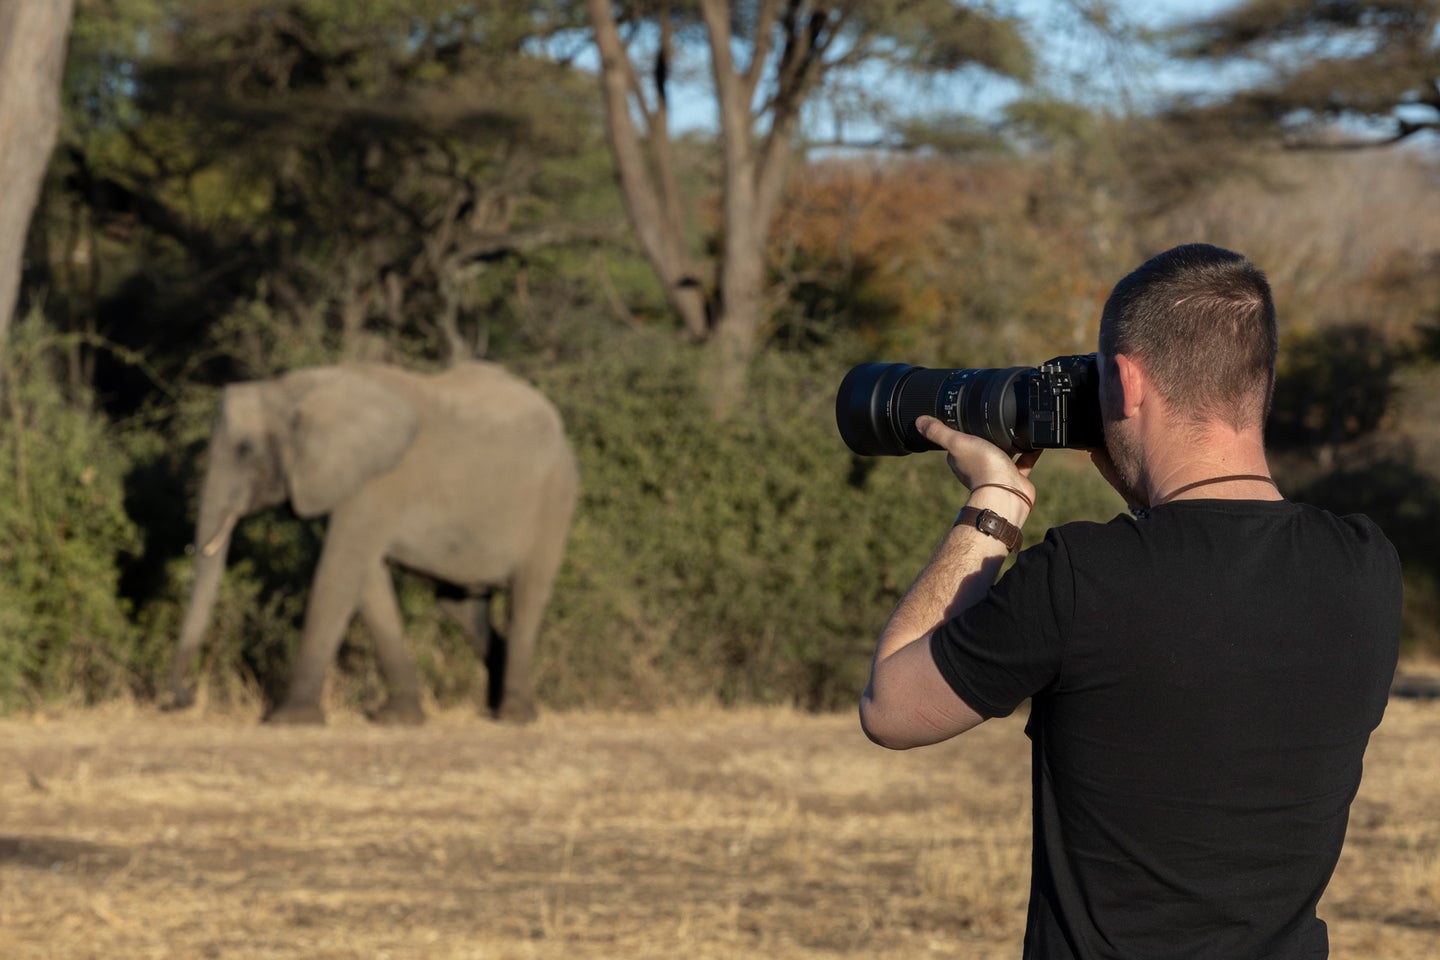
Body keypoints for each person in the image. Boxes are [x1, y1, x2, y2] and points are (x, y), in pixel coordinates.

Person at [858, 243, 1401, 959]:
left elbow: (892, 709)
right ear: (1261, 383)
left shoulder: (1083, 576)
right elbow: (1210, 580)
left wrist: (995, 505)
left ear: (1125, 381)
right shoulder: (1364, 565)